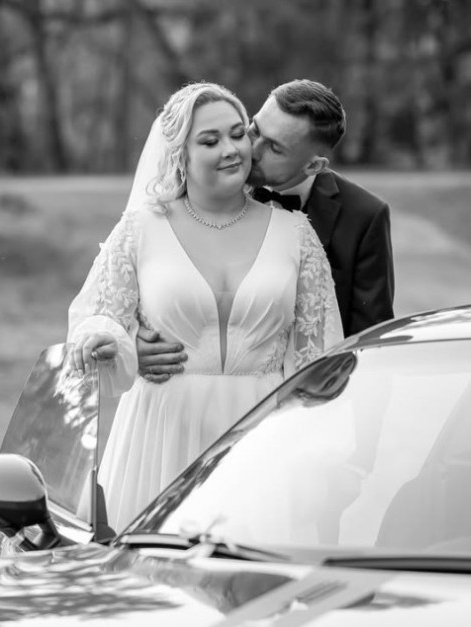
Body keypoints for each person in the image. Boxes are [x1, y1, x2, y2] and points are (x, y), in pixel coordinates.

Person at [66, 82, 343, 528]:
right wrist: (114, 341)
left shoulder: (296, 233)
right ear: (181, 154)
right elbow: (97, 316)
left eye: (237, 134)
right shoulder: (140, 229)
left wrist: (316, 448)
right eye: (210, 141)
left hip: (262, 434)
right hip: (160, 433)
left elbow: (319, 353)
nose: (231, 149)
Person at [139, 79, 395, 383]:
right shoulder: (204, 185)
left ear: (314, 166)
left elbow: (369, 342)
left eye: (274, 147)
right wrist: (134, 343)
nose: (251, 150)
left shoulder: (363, 216)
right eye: (255, 130)